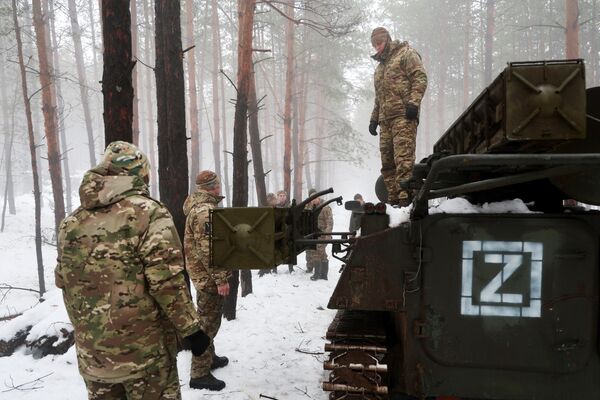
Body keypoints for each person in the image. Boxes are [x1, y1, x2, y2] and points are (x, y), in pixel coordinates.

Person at [55, 141, 210, 400]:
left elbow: (63, 280)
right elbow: (167, 282)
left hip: (95, 360)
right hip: (145, 359)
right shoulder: (148, 214)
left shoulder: (71, 222)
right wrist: (192, 330)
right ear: (140, 173)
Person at [369, 27, 428, 207]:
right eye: (374, 44)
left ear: (387, 39)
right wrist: (374, 119)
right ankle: (393, 200)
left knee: (403, 159)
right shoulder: (379, 69)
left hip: (404, 116)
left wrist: (414, 103)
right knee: (387, 163)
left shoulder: (406, 54)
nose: (377, 47)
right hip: (385, 121)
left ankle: (405, 199)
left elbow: (420, 78)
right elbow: (379, 97)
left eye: (379, 43)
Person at [184, 170, 231, 391]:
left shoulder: (200, 207)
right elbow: (209, 250)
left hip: (203, 275)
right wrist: (220, 279)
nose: (219, 188)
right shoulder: (205, 211)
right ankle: (199, 373)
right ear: (213, 187)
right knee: (207, 325)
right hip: (208, 278)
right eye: (217, 185)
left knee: (208, 319)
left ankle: (209, 359)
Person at [305, 188, 334, 280]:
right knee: (320, 253)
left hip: (323, 235)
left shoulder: (325, 207)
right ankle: (323, 274)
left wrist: (327, 235)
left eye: (315, 198)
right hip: (312, 235)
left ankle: (318, 274)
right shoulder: (308, 207)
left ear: (318, 198)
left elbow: (330, 222)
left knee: (317, 252)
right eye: (311, 198)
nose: (313, 200)